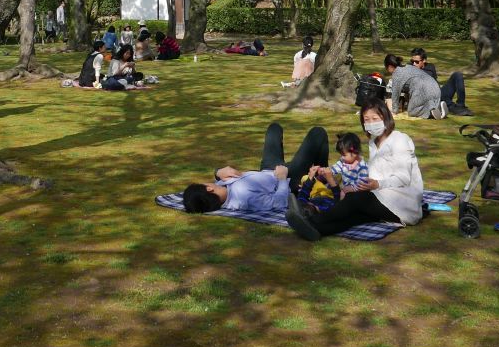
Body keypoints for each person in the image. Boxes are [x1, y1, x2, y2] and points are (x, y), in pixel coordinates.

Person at [285, 98, 424, 241]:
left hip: (401, 204)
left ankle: (310, 219)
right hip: (381, 198)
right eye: (366, 120)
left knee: (356, 200)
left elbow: (404, 177)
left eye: (374, 118)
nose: (370, 123)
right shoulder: (373, 142)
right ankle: (318, 230)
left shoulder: (400, 140)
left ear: (385, 117)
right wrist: (357, 186)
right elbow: (372, 174)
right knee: (355, 216)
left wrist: (376, 185)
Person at [181, 123, 331, 216]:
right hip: (289, 178)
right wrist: (282, 179)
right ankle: (321, 181)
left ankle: (318, 178)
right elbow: (278, 203)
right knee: (317, 133)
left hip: (267, 170)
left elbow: (218, 178)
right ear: (208, 189)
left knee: (274, 128)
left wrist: (218, 172)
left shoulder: (222, 189)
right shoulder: (244, 199)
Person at [409, 47, 473, 117]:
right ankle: (451, 106)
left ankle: (460, 105)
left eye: (417, 62)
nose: (414, 64)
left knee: (458, 75)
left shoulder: (431, 66)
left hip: (439, 92)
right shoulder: (410, 69)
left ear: (424, 60)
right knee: (441, 99)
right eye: (412, 61)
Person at [383, 53, 447, 119]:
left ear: (390, 66)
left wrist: (394, 111)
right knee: (427, 102)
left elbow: (395, 94)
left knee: (412, 111)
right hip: (435, 87)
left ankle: (430, 113)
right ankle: (440, 109)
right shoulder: (408, 66)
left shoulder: (397, 74)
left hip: (422, 89)